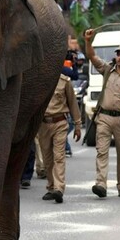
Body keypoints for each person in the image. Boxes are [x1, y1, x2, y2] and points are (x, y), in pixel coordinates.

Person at [84, 29, 120, 198]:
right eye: (118, 54)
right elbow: (92, 57)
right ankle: (101, 183)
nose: (119, 57)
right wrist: (88, 41)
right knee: (101, 150)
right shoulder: (107, 69)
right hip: (104, 117)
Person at [37, 65, 82, 203]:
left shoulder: (64, 81)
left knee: (59, 156)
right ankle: (51, 187)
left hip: (60, 122)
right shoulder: (40, 82)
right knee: (47, 158)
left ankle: (59, 188)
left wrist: (78, 125)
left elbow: (73, 104)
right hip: (43, 124)